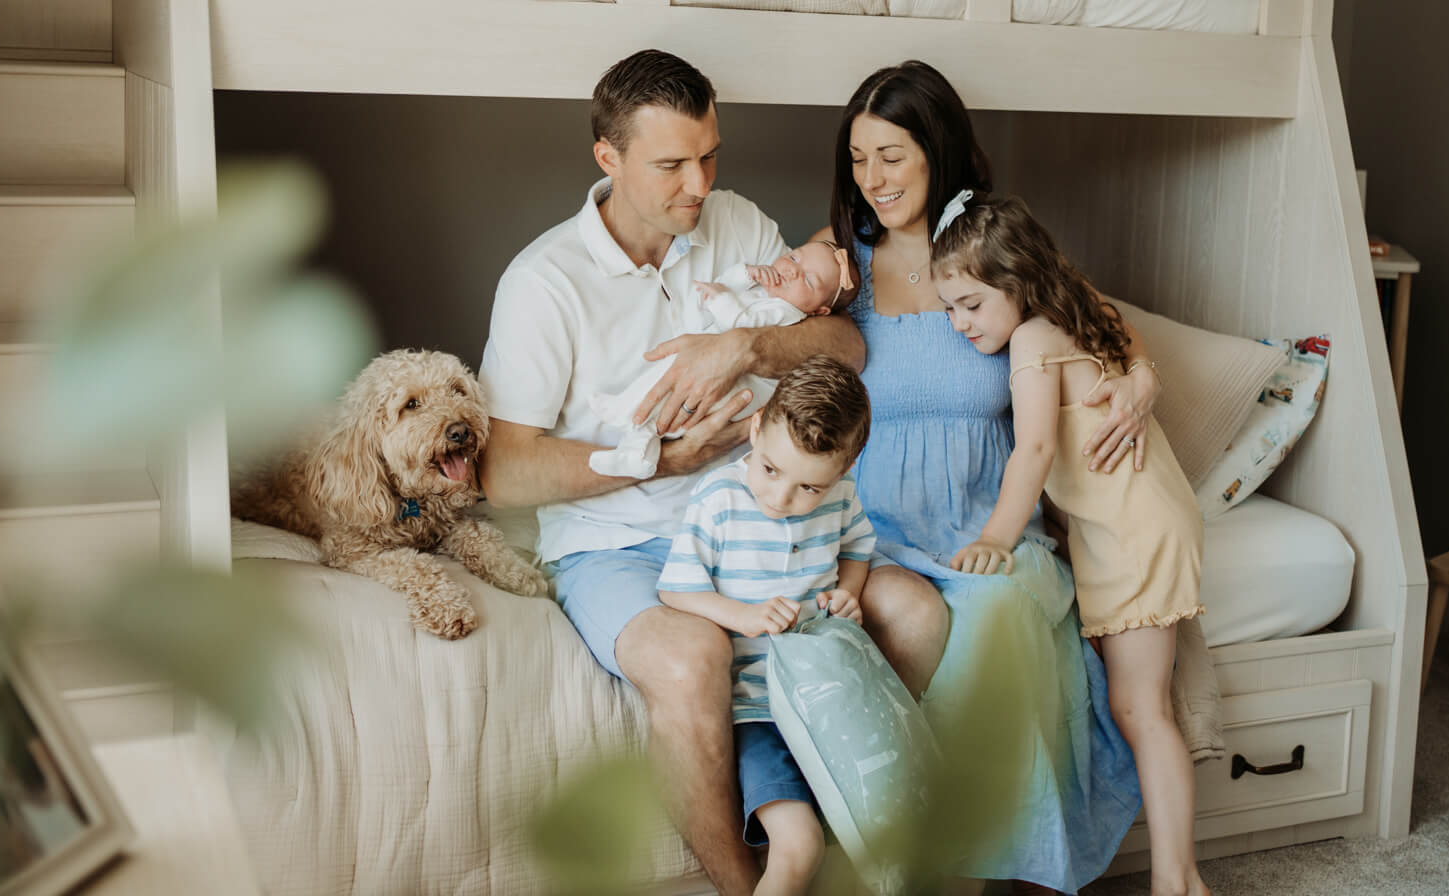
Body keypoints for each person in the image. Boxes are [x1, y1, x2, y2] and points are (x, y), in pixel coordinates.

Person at [477, 50, 948, 896]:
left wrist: (746, 347)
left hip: (761, 509)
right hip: (619, 543)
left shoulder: (733, 222)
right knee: (696, 658)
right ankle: (748, 886)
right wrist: (660, 462)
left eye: (710, 155)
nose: (699, 183)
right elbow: (503, 472)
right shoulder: (544, 283)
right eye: (671, 165)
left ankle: (835, 841)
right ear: (608, 158)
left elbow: (846, 345)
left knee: (912, 612)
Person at [818, 60, 1156, 894]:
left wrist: (1142, 381)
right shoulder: (844, 263)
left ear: (937, 147)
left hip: (985, 524)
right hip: (879, 528)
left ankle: (977, 860)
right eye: (859, 159)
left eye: (891, 155)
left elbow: (1102, 320)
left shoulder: (987, 248)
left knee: (1002, 609)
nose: (873, 180)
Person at [931, 193, 1211, 896]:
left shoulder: (1031, 340)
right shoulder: (1072, 310)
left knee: (1143, 709)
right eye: (949, 309)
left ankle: (1180, 881)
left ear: (1016, 284)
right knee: (1136, 705)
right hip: (1137, 521)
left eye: (969, 304)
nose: (959, 323)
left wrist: (996, 535)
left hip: (1135, 530)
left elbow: (1032, 448)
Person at [657, 356, 875, 896]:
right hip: (759, 706)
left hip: (829, 700)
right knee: (798, 846)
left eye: (809, 488)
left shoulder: (842, 498)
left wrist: (847, 593)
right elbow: (675, 588)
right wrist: (745, 617)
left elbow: (858, 549)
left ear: (842, 474)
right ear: (756, 430)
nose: (779, 499)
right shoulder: (720, 498)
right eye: (771, 470)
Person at [588, 241, 859, 479]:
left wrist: (719, 297)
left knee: (672, 389)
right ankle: (636, 450)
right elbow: (724, 286)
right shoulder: (765, 292)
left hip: (740, 388)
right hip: (725, 374)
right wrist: (746, 274)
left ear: (819, 311)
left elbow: (741, 323)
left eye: (809, 281)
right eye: (794, 258)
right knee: (668, 383)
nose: (792, 271)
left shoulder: (786, 313)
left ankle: (626, 414)